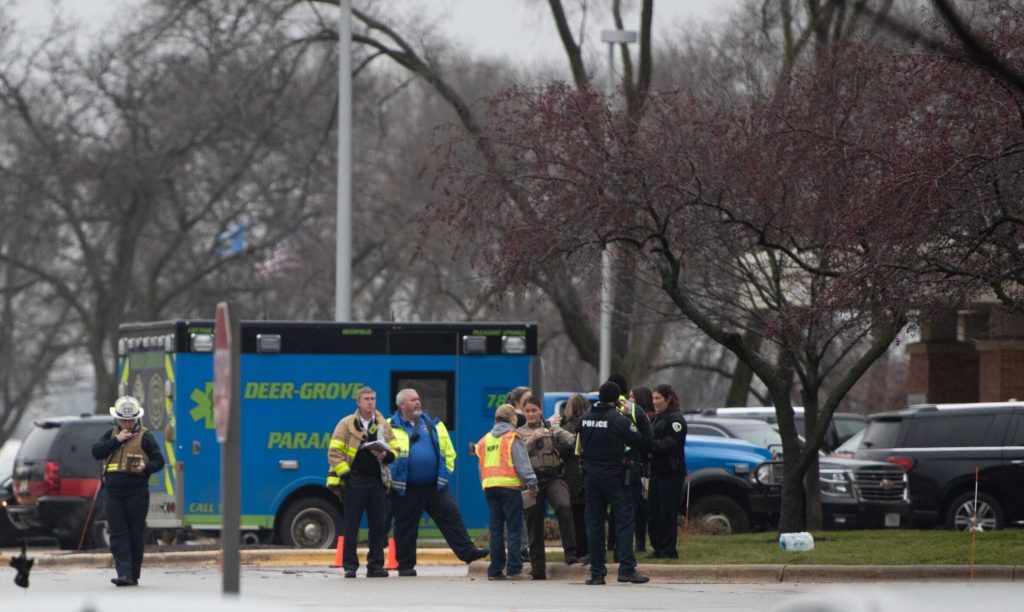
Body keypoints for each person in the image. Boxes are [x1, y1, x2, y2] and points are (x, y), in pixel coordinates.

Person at [388, 388, 488, 576]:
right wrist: (392, 477)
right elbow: (382, 454)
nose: (418, 402)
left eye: (418, 399)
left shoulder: (434, 424)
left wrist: (444, 474)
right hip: (405, 488)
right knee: (405, 527)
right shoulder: (388, 426)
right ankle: (406, 566)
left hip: (435, 487)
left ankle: (470, 554)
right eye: (412, 400)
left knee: (452, 518)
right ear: (401, 405)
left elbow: (449, 453)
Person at [577, 381, 649, 585]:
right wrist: (629, 418)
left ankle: (597, 573)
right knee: (625, 520)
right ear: (617, 399)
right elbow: (640, 440)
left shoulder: (585, 418)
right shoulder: (619, 420)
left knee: (594, 523)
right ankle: (626, 569)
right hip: (615, 476)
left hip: (591, 477)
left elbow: (579, 442)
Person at [91, 395, 165, 587]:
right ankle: (123, 573)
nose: (127, 424)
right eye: (124, 420)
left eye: (130, 420)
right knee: (117, 532)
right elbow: (97, 452)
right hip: (112, 491)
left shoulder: (146, 437)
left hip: (137, 491)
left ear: (136, 419)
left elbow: (159, 461)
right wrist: (116, 441)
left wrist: (146, 466)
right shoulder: (110, 435)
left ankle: (133, 574)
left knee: (135, 532)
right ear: (117, 419)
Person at [327, 386, 397, 578]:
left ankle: (375, 566)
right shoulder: (346, 424)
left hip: (377, 481)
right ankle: (350, 566)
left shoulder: (383, 424)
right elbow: (334, 452)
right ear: (358, 402)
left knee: (378, 525)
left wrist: (385, 454)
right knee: (351, 525)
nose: (370, 402)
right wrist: (347, 475)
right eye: (366, 399)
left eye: (373, 399)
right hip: (355, 479)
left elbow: (396, 448)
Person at [475, 403, 538, 580]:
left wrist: (486, 483)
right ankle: (514, 570)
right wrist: (532, 484)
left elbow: (481, 468)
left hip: (490, 487)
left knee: (495, 530)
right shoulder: (512, 437)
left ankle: (495, 570)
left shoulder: (484, 440)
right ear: (512, 419)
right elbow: (522, 464)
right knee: (514, 529)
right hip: (510, 488)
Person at [518, 395, 578, 579]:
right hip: (530, 482)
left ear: (540, 411)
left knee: (563, 506)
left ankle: (570, 552)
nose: (531, 414)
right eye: (527, 411)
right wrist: (531, 440)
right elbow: (517, 455)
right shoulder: (519, 432)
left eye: (534, 410)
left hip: (553, 478)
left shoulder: (551, 429)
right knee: (533, 521)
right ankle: (537, 567)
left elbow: (573, 440)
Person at [648, 384, 687, 559]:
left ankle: (669, 550)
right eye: (653, 398)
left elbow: (672, 443)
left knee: (667, 513)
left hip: (671, 473)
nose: (654, 402)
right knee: (654, 513)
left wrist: (651, 446)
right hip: (656, 472)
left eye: (658, 398)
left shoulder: (675, 420)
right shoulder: (657, 418)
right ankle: (658, 548)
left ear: (668, 399)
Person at [558, 393, 591, 565]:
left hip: (571, 477)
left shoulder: (567, 428)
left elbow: (560, 451)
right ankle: (589, 550)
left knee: (575, 518)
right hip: (588, 476)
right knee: (589, 516)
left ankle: (578, 550)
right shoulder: (590, 426)